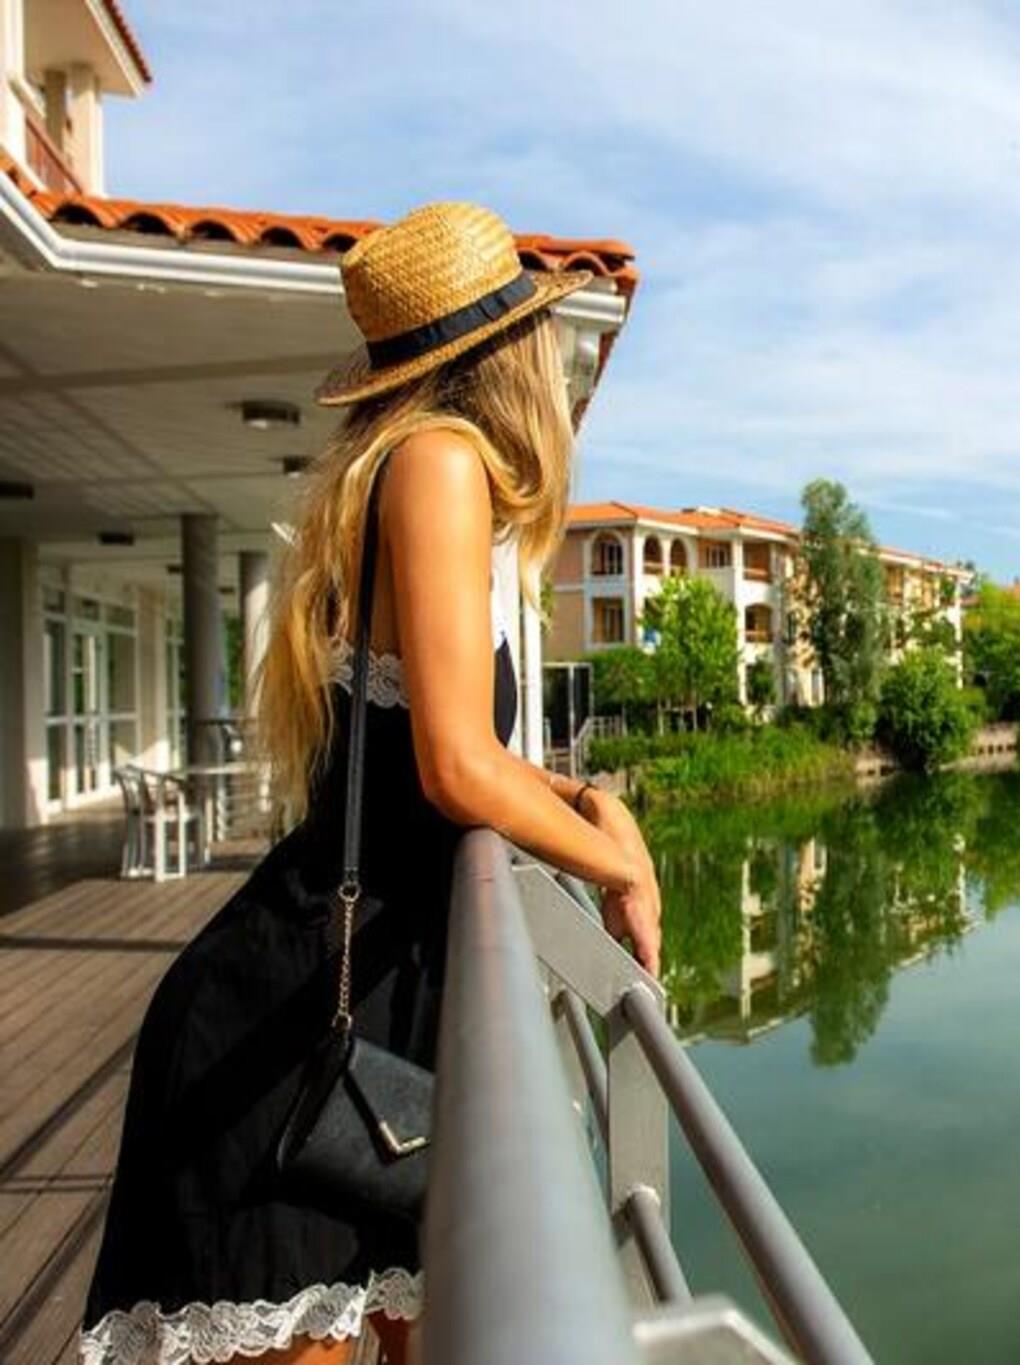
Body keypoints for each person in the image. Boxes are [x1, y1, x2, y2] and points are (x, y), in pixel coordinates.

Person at [78, 202, 663, 1365]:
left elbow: (439, 747)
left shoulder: (410, 468)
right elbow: (454, 767)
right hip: (295, 1021)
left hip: (351, 996)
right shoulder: (439, 464)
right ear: (509, 349)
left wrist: (588, 804)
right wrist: (621, 869)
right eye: (544, 335)